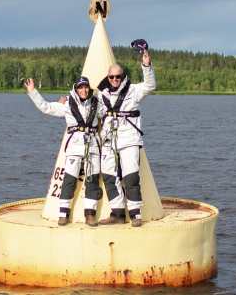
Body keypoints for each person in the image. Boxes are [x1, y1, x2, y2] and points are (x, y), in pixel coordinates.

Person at [24, 76, 105, 227]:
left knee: (92, 181)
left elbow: (108, 112)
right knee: (69, 180)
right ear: (76, 89)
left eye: (86, 87)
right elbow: (46, 107)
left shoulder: (96, 103)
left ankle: (90, 214)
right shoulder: (67, 104)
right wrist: (32, 91)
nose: (84, 90)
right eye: (80, 87)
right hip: (74, 147)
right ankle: (63, 213)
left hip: (92, 146)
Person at [98, 47, 156, 227]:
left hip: (129, 139)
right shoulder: (102, 94)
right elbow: (86, 106)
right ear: (107, 78)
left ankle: (135, 213)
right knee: (108, 176)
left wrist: (146, 65)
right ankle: (117, 213)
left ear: (123, 77)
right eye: (111, 77)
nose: (115, 80)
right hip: (109, 140)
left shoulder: (133, 91)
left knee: (131, 177)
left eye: (118, 77)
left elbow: (150, 85)